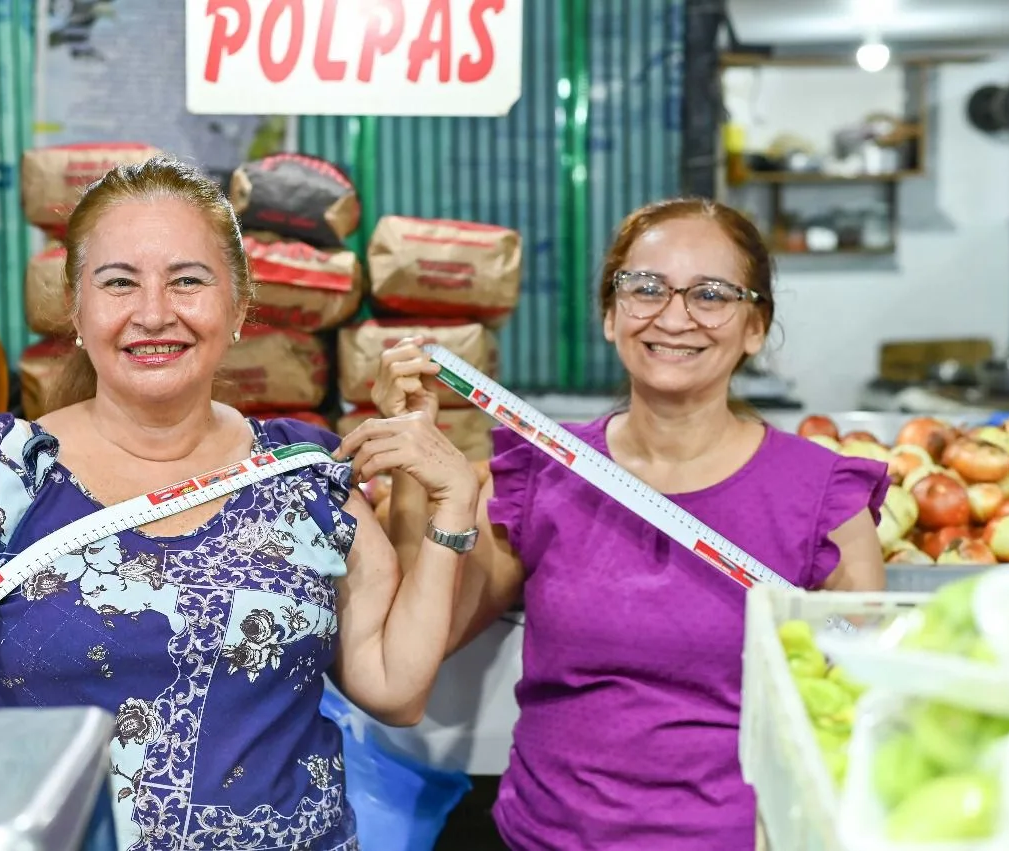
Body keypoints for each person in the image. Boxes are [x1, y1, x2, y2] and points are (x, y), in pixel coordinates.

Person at [0, 157, 481, 851]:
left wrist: (451, 505)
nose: (154, 313)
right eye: (119, 282)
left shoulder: (303, 474)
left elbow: (395, 684)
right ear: (76, 307)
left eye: (188, 280)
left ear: (240, 303)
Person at [358, 198, 889, 850]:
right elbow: (423, 640)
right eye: (645, 287)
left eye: (712, 294)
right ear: (611, 315)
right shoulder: (541, 469)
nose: (673, 316)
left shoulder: (824, 498)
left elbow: (868, 715)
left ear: (756, 326)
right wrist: (417, 456)